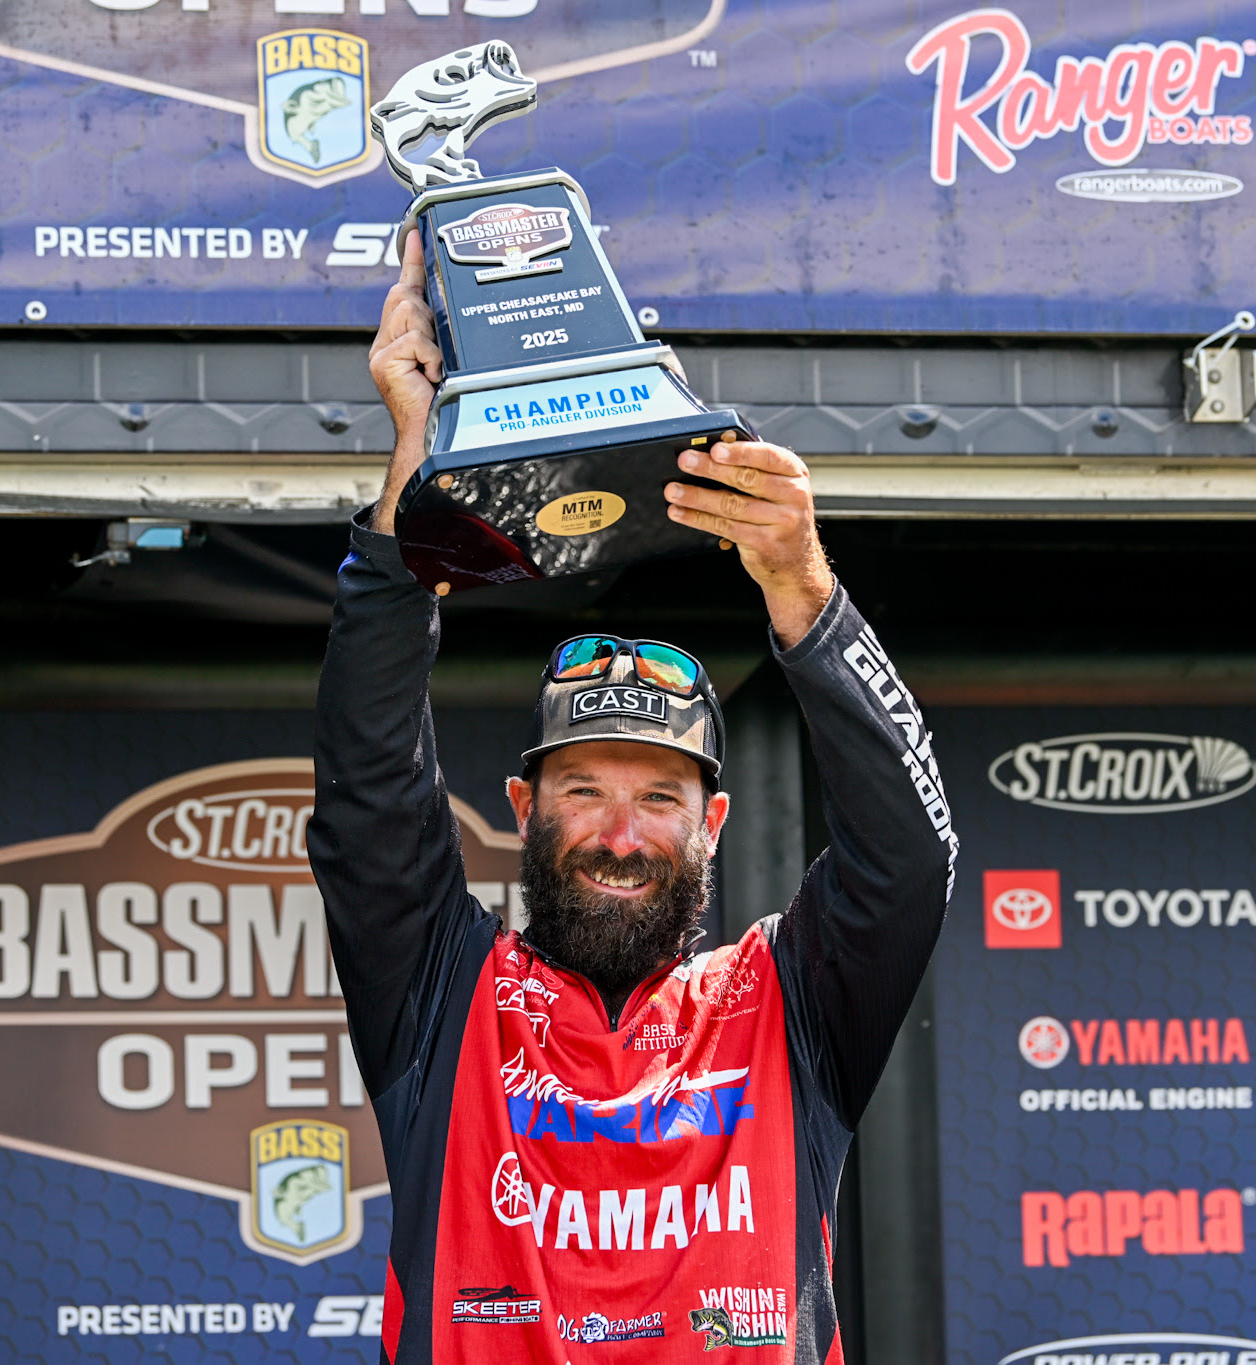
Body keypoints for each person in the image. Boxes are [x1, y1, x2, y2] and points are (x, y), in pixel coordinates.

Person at [308, 235, 957, 1364]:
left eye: (660, 795)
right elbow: (368, 789)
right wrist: (414, 479)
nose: (619, 835)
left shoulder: (787, 1005)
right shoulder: (442, 996)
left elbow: (908, 857)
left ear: (711, 824)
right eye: (583, 789)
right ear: (524, 806)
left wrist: (801, 585)